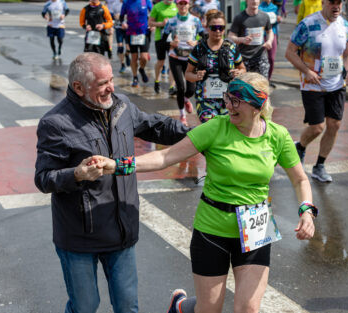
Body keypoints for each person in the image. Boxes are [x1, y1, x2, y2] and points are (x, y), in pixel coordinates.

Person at [87, 72, 317, 313]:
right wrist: (116, 165)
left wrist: (306, 210)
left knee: (248, 309)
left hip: (256, 225)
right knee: (209, 309)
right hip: (213, 227)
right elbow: (166, 156)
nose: (228, 105)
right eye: (227, 98)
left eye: (236, 101)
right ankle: (182, 306)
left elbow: (300, 178)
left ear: (257, 104)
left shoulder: (277, 136)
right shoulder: (216, 127)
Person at [34, 52, 190, 313]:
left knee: (127, 307)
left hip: (121, 230)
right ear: (78, 87)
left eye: (111, 80)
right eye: (102, 83)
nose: (111, 88)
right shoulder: (56, 123)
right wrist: (76, 175)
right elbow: (43, 178)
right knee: (85, 307)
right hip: (79, 237)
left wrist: (199, 136)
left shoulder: (121, 106)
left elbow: (156, 126)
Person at [285, 0, 348, 182]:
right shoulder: (308, 24)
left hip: (337, 84)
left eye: (339, 3)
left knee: (335, 125)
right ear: (324, 2)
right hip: (312, 84)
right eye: (332, 3)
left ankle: (320, 166)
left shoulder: (346, 26)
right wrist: (307, 71)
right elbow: (290, 52)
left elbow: (347, 53)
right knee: (317, 128)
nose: (336, 7)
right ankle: (300, 146)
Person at [185, 10, 246, 123]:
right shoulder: (199, 49)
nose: (218, 31)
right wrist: (197, 76)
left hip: (229, 100)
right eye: (214, 28)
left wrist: (239, 73)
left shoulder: (231, 48)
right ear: (207, 27)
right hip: (205, 101)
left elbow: (243, 69)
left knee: (227, 131)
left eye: (221, 28)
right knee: (211, 127)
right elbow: (188, 74)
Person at [162, 0, 205, 125]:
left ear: (189, 5)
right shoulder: (171, 21)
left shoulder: (195, 21)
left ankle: (186, 99)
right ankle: (182, 115)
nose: (183, 6)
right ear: (177, 5)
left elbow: (204, 38)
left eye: (185, 3)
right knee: (180, 87)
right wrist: (171, 43)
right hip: (175, 57)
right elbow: (162, 41)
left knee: (191, 89)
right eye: (180, 3)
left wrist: (196, 42)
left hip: (191, 58)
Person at [228, 0, 274, 78]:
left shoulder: (264, 16)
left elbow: (270, 31)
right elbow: (230, 36)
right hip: (244, 58)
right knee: (245, 86)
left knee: (262, 85)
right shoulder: (239, 17)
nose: (254, 1)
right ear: (247, 1)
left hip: (260, 57)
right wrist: (242, 39)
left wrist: (269, 41)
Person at [120, 0, 153, 87]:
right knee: (134, 57)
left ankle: (141, 69)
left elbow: (153, 14)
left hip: (144, 33)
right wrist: (123, 23)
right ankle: (135, 77)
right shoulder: (126, 2)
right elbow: (121, 17)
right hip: (131, 33)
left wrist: (152, 25)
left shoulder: (146, 1)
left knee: (144, 57)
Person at [149, 0, 178, 93]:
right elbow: (150, 22)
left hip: (173, 38)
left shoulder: (176, 6)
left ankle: (171, 87)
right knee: (161, 62)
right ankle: (157, 81)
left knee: (172, 62)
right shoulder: (157, 7)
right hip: (160, 38)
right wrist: (161, 24)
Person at [259, 0, 283, 81]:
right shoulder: (259, 7)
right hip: (261, 35)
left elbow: (276, 21)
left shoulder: (275, 7)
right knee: (260, 58)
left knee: (271, 58)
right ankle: (261, 78)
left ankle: (268, 79)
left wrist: (278, 20)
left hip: (272, 34)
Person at [109, 0, 131, 72]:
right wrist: (115, 17)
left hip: (128, 28)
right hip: (119, 28)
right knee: (120, 48)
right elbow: (110, 15)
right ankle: (122, 64)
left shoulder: (129, 3)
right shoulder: (115, 3)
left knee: (129, 48)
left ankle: (127, 55)